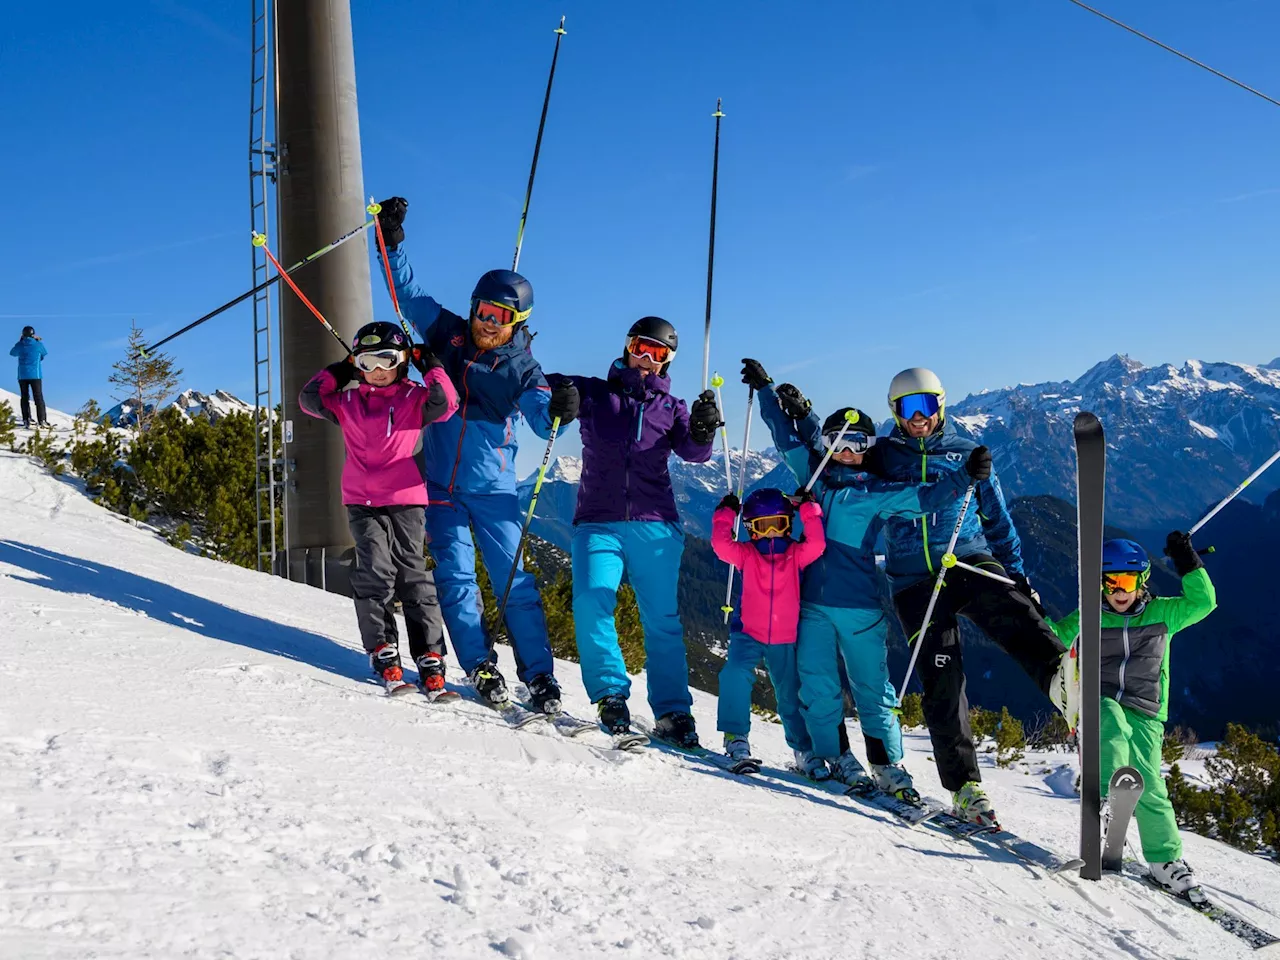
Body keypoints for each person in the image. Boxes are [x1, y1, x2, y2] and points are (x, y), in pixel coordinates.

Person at [373, 197, 580, 713]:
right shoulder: (449, 334)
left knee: (514, 582)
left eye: (501, 316)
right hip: (440, 487)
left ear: (518, 321)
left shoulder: (521, 368)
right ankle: (480, 664)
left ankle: (539, 676)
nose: (489, 323)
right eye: (484, 311)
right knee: (456, 579)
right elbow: (409, 295)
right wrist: (392, 243)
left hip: (494, 492)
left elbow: (537, 412)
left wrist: (557, 409)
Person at [743, 359, 983, 795]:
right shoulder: (812, 479)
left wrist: (966, 475)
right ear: (827, 443)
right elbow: (785, 436)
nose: (847, 450)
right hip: (811, 607)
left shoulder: (877, 494)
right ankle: (836, 756)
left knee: (873, 689)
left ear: (870, 447)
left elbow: (928, 497)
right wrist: (765, 390)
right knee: (818, 688)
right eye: (838, 441)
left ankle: (887, 765)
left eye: (858, 442)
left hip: (860, 609)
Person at [875, 367, 1072, 825]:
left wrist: (1017, 576)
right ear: (895, 413)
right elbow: (835, 466)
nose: (918, 417)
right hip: (912, 580)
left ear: (941, 406)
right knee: (942, 679)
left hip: (965, 558)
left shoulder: (967, 454)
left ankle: (1063, 679)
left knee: (1011, 609)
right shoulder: (882, 458)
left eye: (927, 406)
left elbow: (998, 521)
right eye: (908, 409)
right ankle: (965, 787)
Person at [549, 317, 720, 746]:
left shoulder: (673, 408)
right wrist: (560, 397)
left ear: (667, 362)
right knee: (592, 601)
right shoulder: (594, 392)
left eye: (658, 354)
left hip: (655, 526)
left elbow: (696, 454)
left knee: (661, 621)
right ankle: (610, 694)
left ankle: (673, 711)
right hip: (597, 522)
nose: (646, 358)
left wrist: (702, 427)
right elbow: (540, 383)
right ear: (627, 347)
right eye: (641, 347)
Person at [1047, 534, 1215, 894]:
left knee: (1151, 784)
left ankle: (1164, 860)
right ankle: (1108, 799)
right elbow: (1054, 637)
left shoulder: (1163, 613)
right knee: (1111, 727)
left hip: (1146, 708)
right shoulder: (1090, 617)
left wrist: (1188, 562)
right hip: (1100, 697)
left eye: (1126, 581)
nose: (1118, 590)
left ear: (1142, 581)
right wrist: (1027, 609)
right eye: (1109, 582)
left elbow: (1204, 603)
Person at [298, 321, 459, 696]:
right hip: (362, 501)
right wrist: (337, 372)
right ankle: (382, 648)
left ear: (401, 361)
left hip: (405, 499)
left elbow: (447, 401)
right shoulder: (347, 401)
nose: (377, 370)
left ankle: (429, 653)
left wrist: (430, 364)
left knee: (413, 574)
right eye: (367, 362)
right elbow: (309, 399)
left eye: (386, 359)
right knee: (375, 571)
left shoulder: (414, 398)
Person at [712, 487, 826, 763]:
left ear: (788, 525)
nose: (771, 533)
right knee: (735, 675)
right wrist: (726, 513)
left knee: (790, 694)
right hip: (748, 633)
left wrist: (809, 511)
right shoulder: (747, 554)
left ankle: (803, 749)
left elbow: (817, 544)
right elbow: (720, 545)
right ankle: (735, 736)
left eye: (779, 524)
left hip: (785, 638)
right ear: (751, 529)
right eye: (763, 527)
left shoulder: (796, 554)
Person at [10, 325, 49, 428]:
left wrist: (20, 341)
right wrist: (36, 340)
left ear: (23, 334)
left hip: (22, 375)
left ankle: (26, 419)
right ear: (33, 334)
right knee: (38, 397)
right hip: (35, 375)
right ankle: (42, 420)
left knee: (24, 397)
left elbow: (12, 353)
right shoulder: (38, 344)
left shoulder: (20, 344)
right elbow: (44, 354)